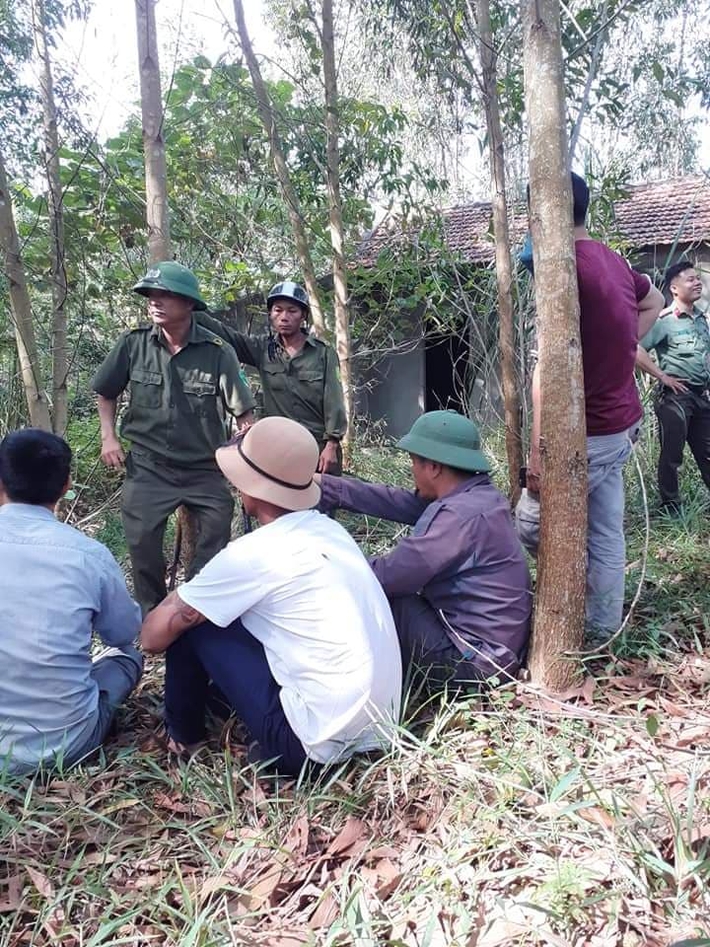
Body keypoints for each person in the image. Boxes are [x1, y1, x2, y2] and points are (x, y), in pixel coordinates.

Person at [140, 416, 401, 774]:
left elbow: (153, 638)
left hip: (311, 749)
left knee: (194, 625)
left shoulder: (252, 554)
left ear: (250, 487)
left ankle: (184, 738)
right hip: (381, 729)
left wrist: (180, 604)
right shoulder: (332, 532)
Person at [516, 172, 665, 641]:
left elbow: (546, 370)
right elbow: (654, 300)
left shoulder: (561, 268)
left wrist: (538, 454)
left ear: (545, 212)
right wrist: (619, 349)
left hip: (590, 430)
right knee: (605, 530)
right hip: (622, 424)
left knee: (530, 525)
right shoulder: (613, 260)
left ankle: (566, 614)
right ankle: (601, 629)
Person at [317, 410, 532, 687]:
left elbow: (389, 578)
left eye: (413, 462)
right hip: (493, 653)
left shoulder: (457, 518)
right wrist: (330, 489)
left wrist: (327, 562)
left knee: (388, 600)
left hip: (473, 666)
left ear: (433, 467)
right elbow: (399, 502)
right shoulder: (478, 497)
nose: (411, 470)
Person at [92, 261, 255, 615]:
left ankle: (192, 607)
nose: (155, 301)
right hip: (149, 466)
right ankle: (153, 613)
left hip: (205, 467)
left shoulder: (218, 352)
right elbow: (105, 392)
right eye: (151, 295)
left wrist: (248, 465)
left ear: (189, 304)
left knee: (218, 528)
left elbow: (244, 415)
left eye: (165, 295)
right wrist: (109, 437)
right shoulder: (133, 344)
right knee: (142, 542)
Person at [0, 429, 142, 776]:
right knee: (127, 657)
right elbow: (123, 633)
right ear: (66, 485)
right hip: (66, 744)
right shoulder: (87, 555)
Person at [198, 281, 347, 474]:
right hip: (279, 447)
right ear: (270, 314)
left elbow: (334, 401)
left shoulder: (323, 353)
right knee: (279, 500)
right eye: (278, 310)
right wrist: (189, 307)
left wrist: (332, 445)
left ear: (303, 315)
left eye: (292, 311)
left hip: (318, 447)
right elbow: (228, 336)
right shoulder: (262, 349)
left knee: (321, 501)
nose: (284, 317)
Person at [636, 261, 710, 514]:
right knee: (672, 455)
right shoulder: (664, 321)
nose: (697, 282)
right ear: (674, 288)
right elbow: (635, 348)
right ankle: (671, 507)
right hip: (675, 398)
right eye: (690, 279)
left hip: (701, 396)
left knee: (707, 452)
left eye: (698, 278)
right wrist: (662, 376)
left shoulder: (701, 319)